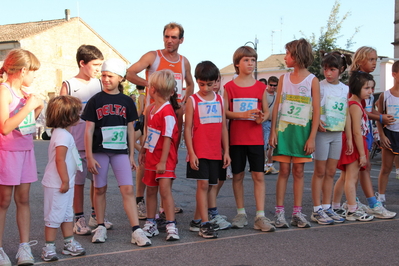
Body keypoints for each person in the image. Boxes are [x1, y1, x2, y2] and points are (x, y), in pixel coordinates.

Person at [82, 58, 151, 246]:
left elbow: (131, 129)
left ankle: (136, 229)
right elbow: (88, 129)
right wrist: (89, 156)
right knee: (100, 188)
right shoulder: (95, 100)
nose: (105, 79)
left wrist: (131, 155)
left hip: (120, 152)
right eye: (103, 75)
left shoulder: (127, 101)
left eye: (110, 76)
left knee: (127, 188)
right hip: (100, 151)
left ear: (120, 78)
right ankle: (100, 225)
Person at [126, 22, 194, 216]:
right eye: (166, 36)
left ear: (181, 40)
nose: (169, 41)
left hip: (174, 117)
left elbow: (190, 85)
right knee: (148, 156)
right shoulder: (153, 56)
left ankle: (165, 203)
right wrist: (152, 84)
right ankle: (140, 201)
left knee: (169, 158)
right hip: (154, 116)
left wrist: (183, 103)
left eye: (174, 37)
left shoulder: (184, 61)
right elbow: (130, 73)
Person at [332, 47, 396, 219]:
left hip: (364, 130)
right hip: (357, 132)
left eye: (375, 60)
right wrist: (380, 118)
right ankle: (372, 205)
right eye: (371, 60)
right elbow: (358, 110)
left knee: (349, 173)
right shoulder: (357, 82)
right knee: (363, 167)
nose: (374, 63)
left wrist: (377, 124)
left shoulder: (364, 82)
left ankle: (339, 204)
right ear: (360, 60)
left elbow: (367, 109)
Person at [59, 45, 113, 234]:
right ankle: (78, 219)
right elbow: (62, 116)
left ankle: (95, 216)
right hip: (77, 143)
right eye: (95, 65)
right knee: (79, 183)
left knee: (97, 181)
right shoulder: (69, 85)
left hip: (97, 142)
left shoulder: (99, 84)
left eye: (101, 65)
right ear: (82, 63)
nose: (99, 69)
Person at [269, 39, 320, 228]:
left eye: (288, 54)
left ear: (297, 56)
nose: (285, 57)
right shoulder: (283, 79)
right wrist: (273, 132)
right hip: (284, 131)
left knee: (299, 172)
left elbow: (316, 111)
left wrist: (312, 137)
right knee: (283, 171)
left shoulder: (313, 81)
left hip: (302, 134)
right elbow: (277, 108)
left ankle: (297, 213)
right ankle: (279, 212)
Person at [223, 46, 275, 232]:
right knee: (238, 176)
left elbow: (267, 112)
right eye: (246, 60)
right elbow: (225, 113)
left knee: (258, 175)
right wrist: (242, 114)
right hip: (236, 139)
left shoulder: (261, 87)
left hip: (255, 139)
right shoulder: (229, 87)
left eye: (253, 60)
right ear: (237, 63)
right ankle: (241, 212)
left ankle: (260, 215)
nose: (250, 63)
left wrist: (263, 117)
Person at [0, 49, 43, 266]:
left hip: (26, 151)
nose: (34, 76)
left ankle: (24, 247)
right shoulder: (4, 92)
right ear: (23, 70)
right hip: (7, 153)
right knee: (4, 201)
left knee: (23, 200)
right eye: (33, 72)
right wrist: (28, 106)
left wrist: (36, 108)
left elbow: (26, 125)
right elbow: (6, 127)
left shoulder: (25, 93)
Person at [185, 61, 231, 238]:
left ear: (216, 82)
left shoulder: (220, 100)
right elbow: (187, 129)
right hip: (199, 151)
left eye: (209, 84)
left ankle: (197, 220)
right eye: (201, 84)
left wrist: (226, 151)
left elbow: (223, 128)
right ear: (197, 81)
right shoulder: (193, 100)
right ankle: (205, 224)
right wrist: (192, 152)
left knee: (211, 185)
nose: (205, 88)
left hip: (215, 152)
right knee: (202, 185)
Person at [41, 96, 86, 261]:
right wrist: (65, 180)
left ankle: (69, 243)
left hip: (65, 183)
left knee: (67, 214)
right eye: (76, 113)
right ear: (68, 116)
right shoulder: (62, 136)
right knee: (54, 215)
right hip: (58, 183)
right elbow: (60, 159)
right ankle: (49, 247)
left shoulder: (62, 133)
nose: (79, 117)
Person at [310, 51, 351, 225]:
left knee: (331, 172)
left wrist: (349, 137)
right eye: (326, 69)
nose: (328, 73)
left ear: (341, 69)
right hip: (322, 134)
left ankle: (327, 207)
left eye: (332, 69)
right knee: (319, 171)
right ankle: (316, 209)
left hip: (337, 134)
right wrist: (316, 121)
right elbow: (312, 108)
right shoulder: (319, 86)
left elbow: (347, 114)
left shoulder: (346, 89)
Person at [139, 69, 180, 241]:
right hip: (151, 155)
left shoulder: (168, 112)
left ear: (153, 90)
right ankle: (151, 222)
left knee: (164, 191)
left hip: (164, 159)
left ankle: (171, 225)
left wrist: (163, 162)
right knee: (150, 191)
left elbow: (168, 138)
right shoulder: (150, 109)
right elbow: (149, 133)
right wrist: (142, 150)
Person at [335, 71, 375, 221]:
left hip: (352, 143)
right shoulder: (355, 105)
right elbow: (357, 132)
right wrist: (363, 154)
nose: (370, 91)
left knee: (345, 177)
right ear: (357, 87)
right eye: (366, 88)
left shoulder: (355, 103)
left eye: (371, 88)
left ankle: (335, 205)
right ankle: (352, 209)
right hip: (354, 144)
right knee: (351, 178)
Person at [376, 60, 399, 206]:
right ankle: (381, 197)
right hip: (390, 134)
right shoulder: (385, 96)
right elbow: (378, 117)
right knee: (386, 168)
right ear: (394, 75)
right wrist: (382, 135)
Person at [134, 85, 147, 220]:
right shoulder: (143, 96)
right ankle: (139, 200)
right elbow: (142, 109)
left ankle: (164, 203)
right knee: (144, 162)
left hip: (146, 118)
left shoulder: (141, 95)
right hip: (143, 120)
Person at [263, 76, 279, 175]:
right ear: (268, 84)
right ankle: (264, 164)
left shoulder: (277, 95)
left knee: (272, 144)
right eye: (271, 85)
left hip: (274, 122)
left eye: (275, 85)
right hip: (265, 122)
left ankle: (269, 165)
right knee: (264, 145)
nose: (272, 87)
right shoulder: (263, 94)